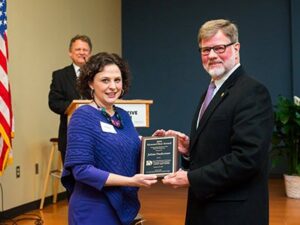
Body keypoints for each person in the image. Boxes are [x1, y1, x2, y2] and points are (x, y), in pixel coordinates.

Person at [154, 19, 274, 225]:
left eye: (219, 48)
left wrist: (191, 178)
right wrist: (190, 150)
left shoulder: (252, 92)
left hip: (234, 213)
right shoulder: (211, 91)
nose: (211, 55)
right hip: (207, 208)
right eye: (205, 49)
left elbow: (247, 158)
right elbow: (221, 145)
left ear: (236, 48)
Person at [61, 52, 158, 225]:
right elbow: (81, 170)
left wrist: (153, 145)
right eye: (105, 80)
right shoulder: (82, 116)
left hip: (122, 205)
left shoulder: (124, 116)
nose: (113, 86)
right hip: (93, 209)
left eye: (117, 80)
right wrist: (130, 181)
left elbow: (125, 147)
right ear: (90, 83)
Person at [48, 34, 92, 163]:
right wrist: (75, 108)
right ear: (70, 53)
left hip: (96, 134)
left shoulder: (98, 75)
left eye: (85, 50)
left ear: (90, 54)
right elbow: (54, 102)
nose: (81, 52)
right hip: (70, 134)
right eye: (78, 49)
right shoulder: (60, 75)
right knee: (72, 178)